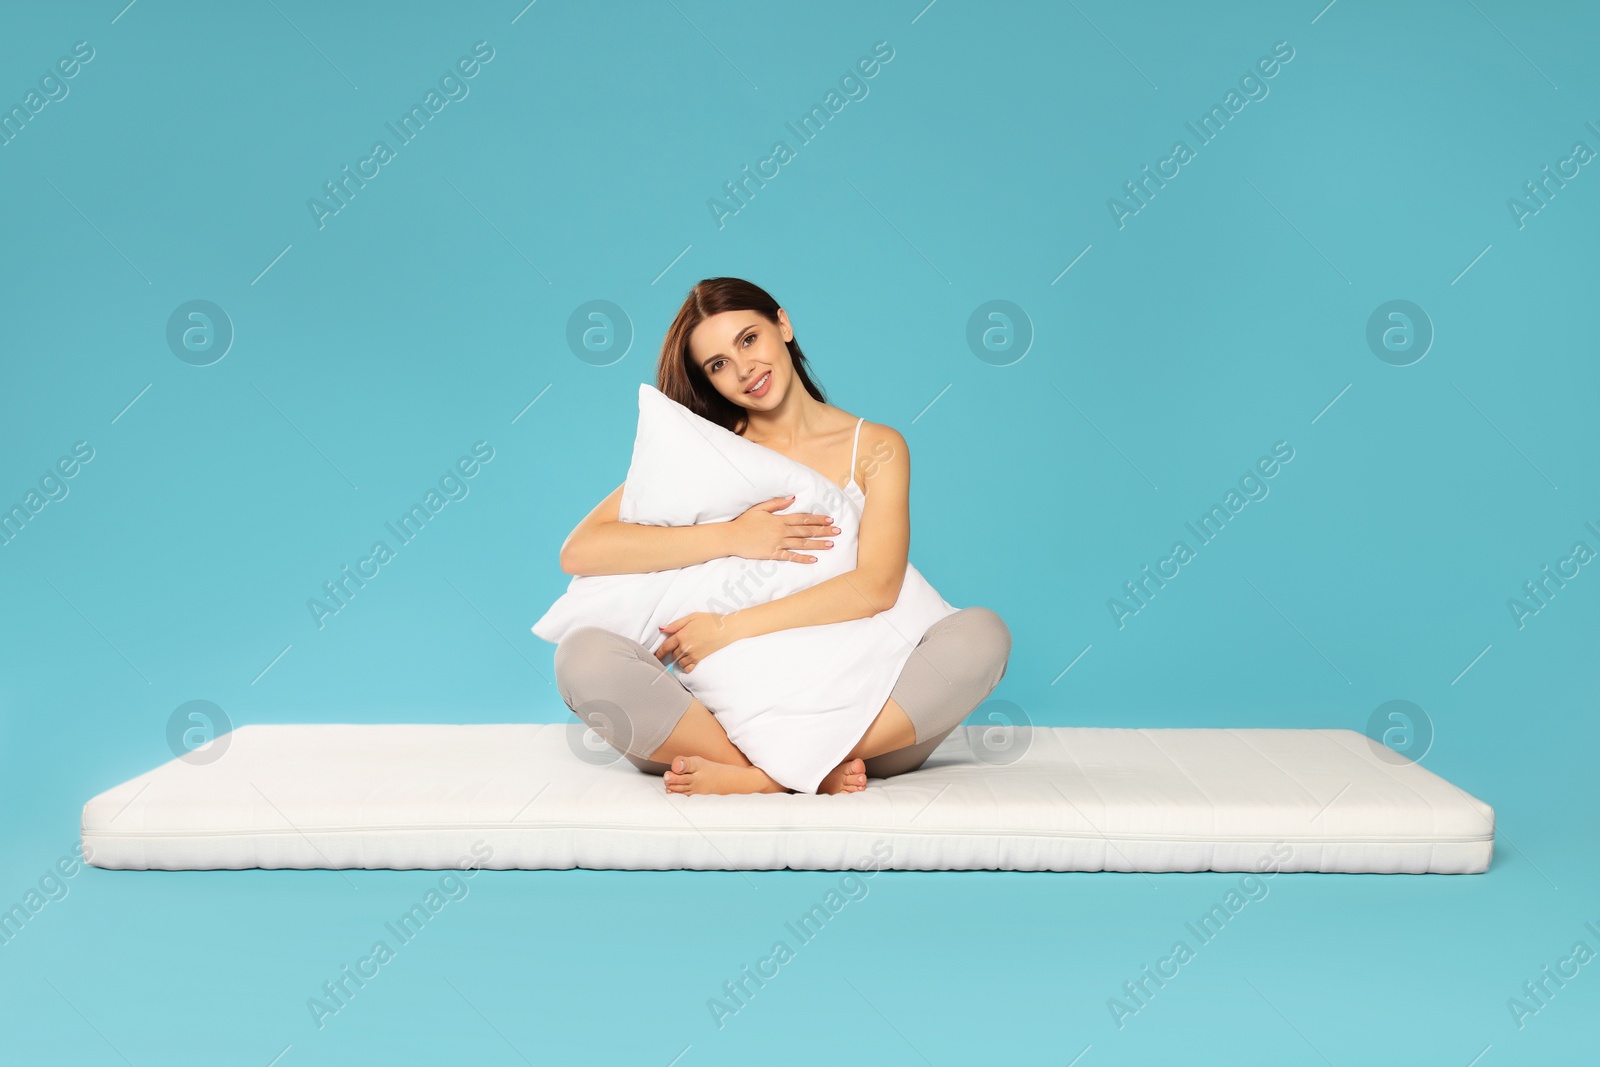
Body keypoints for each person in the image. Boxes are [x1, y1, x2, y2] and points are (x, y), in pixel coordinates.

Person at [553, 277, 1010, 795]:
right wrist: (733, 536)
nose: (744, 369)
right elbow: (581, 550)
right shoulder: (709, 449)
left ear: (783, 324)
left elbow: (877, 586)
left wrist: (729, 626)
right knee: (581, 658)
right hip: (723, 729)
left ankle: (771, 777)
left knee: (982, 635)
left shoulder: (878, 447)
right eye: (718, 364)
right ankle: (799, 771)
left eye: (748, 339)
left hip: (865, 732)